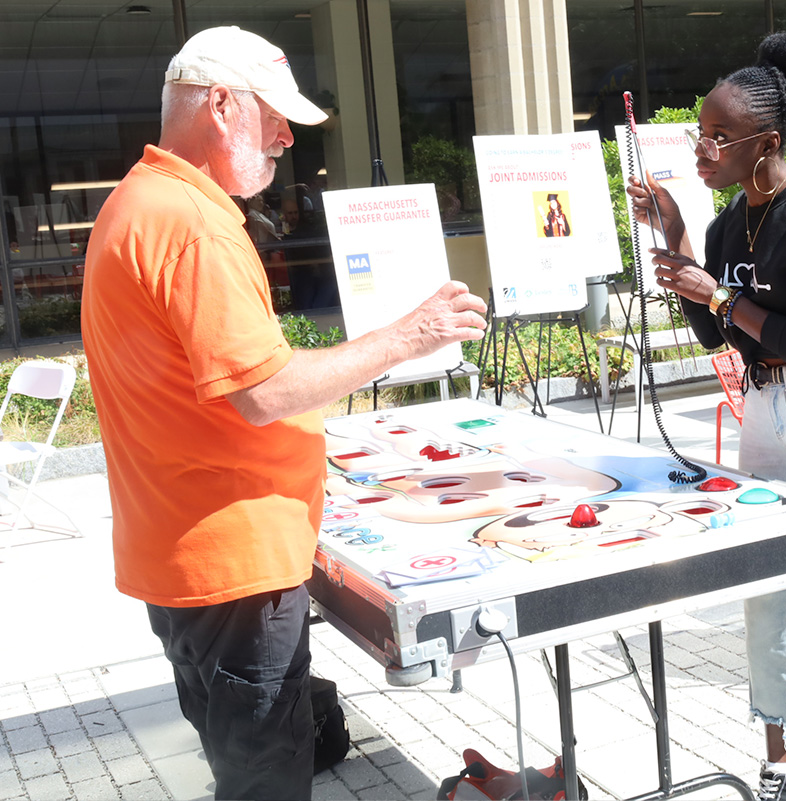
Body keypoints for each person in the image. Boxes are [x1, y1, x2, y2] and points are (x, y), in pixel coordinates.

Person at [79, 26, 487, 801]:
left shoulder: (138, 202)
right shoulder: (194, 224)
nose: (284, 135)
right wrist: (408, 335)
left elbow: (206, 389)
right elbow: (262, 391)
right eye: (271, 114)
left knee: (247, 761)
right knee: (265, 781)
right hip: (232, 567)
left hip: (185, 553)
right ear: (220, 105)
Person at [627, 30, 786, 801]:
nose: (702, 148)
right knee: (764, 587)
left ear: (767, 142)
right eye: (697, 133)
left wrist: (714, 292)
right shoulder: (722, 225)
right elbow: (720, 334)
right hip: (763, 407)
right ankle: (781, 758)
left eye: (717, 136)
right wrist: (676, 234)